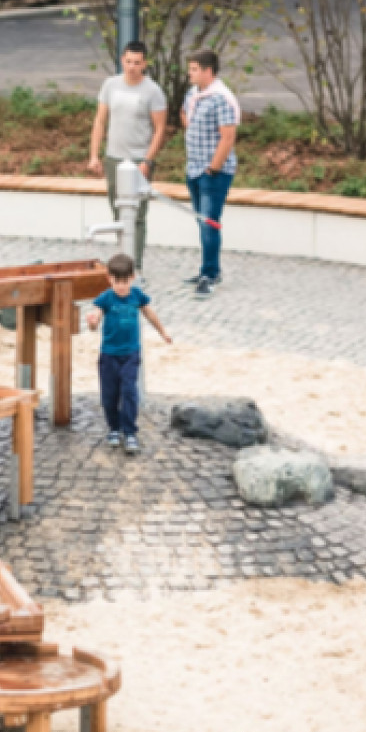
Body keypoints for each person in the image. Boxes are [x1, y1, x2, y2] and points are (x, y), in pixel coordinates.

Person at [88, 40, 168, 274]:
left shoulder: (152, 91)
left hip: (137, 160)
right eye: (128, 61)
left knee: (137, 215)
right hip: (114, 158)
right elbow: (100, 120)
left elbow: (160, 129)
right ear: (122, 60)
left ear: (144, 64)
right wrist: (95, 155)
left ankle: (136, 266)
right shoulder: (110, 85)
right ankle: (123, 261)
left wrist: (147, 160)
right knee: (117, 210)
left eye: (137, 62)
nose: (132, 66)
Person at [86, 254, 172, 455]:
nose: (121, 287)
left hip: (131, 354)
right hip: (109, 355)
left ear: (132, 278)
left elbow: (150, 314)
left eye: (125, 282)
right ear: (110, 279)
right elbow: (95, 319)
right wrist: (91, 323)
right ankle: (114, 428)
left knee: (129, 392)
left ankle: (130, 432)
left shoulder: (137, 296)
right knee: (109, 396)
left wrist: (163, 332)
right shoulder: (105, 297)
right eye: (117, 282)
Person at [181, 49, 240, 299]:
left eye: (194, 69)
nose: (189, 73)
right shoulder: (194, 94)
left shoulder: (221, 98)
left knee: (209, 223)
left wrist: (213, 168)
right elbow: (185, 114)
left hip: (213, 172)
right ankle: (208, 268)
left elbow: (228, 137)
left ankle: (210, 275)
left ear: (208, 71)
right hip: (194, 168)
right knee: (201, 221)